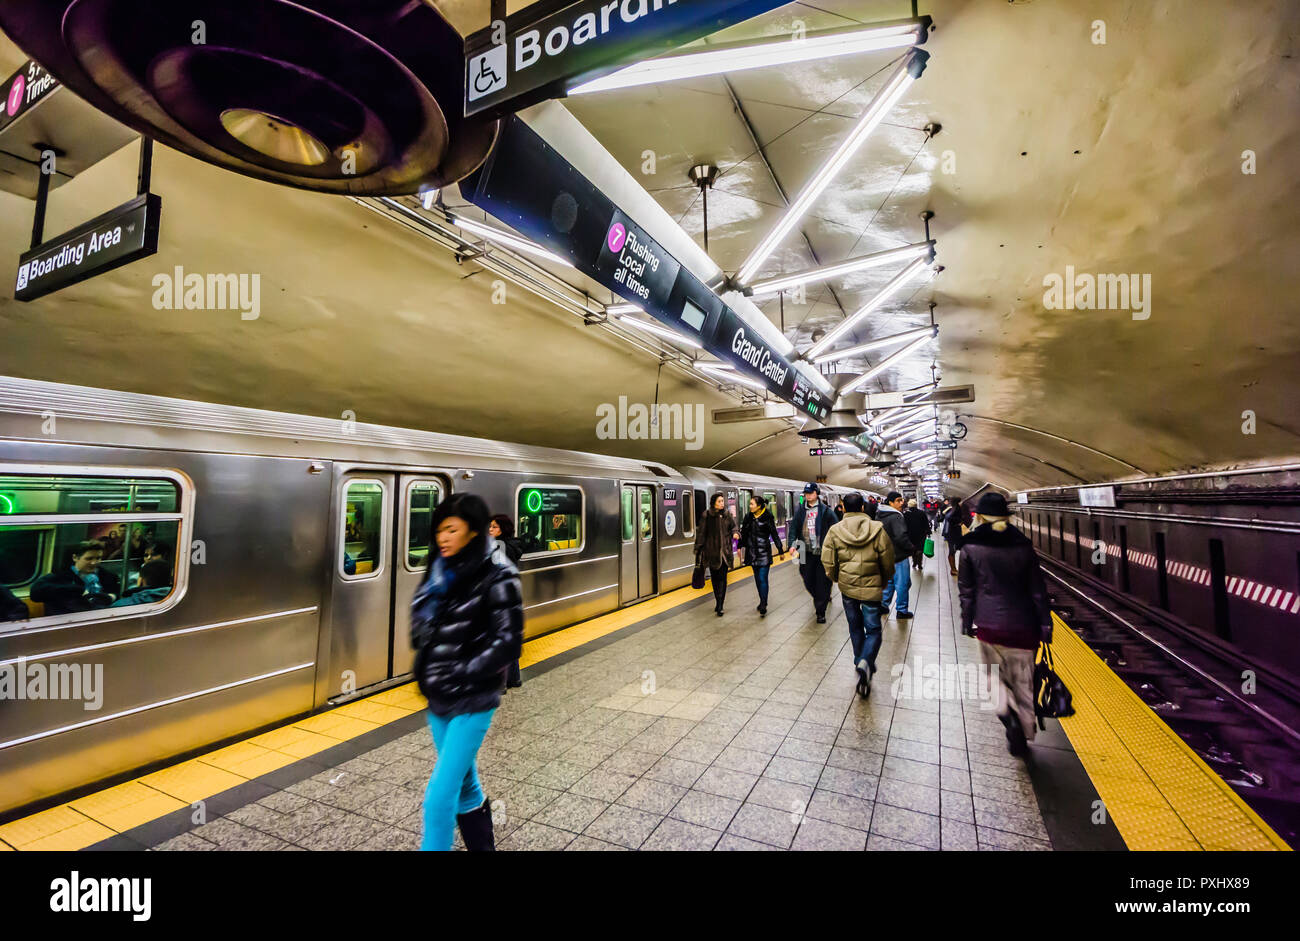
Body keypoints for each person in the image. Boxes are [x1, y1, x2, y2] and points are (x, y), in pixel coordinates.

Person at [410, 494, 523, 851]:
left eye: (451, 530)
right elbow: (421, 623)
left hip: (474, 698)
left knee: (437, 800)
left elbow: (508, 642)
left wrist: (463, 670)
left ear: (473, 532)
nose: (442, 538)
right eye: (439, 530)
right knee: (465, 788)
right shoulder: (438, 569)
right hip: (438, 695)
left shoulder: (499, 574)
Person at [957, 492, 1053, 757]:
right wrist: (1046, 625)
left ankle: (1006, 716)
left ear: (979, 517)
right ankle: (1023, 733)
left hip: (988, 626)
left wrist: (967, 622)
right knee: (1023, 683)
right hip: (1025, 626)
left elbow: (966, 590)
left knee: (994, 679)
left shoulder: (970, 548)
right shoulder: (1023, 547)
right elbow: (1037, 591)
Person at [822, 493, 895, 698]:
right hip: (872, 587)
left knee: (855, 626)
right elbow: (887, 559)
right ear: (863, 508)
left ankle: (859, 661)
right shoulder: (877, 529)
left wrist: (837, 577)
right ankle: (866, 660)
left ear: (843, 508)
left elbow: (828, 560)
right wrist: (884, 579)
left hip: (848, 588)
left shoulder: (835, 531)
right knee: (873, 629)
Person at [789, 483, 838, 623]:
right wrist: (792, 544)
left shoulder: (826, 511)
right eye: (806, 493)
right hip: (805, 551)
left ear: (817, 493)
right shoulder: (800, 511)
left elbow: (835, 529)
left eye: (810, 493)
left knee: (822, 581)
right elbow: (793, 529)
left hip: (822, 552)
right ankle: (820, 596)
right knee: (807, 578)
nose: (808, 495)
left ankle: (820, 611)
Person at [30, 540, 120, 614]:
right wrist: (78, 590)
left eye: (98, 558)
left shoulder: (107, 576)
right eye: (89, 559)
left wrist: (113, 596)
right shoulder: (59, 576)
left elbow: (115, 593)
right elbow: (35, 593)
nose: (94, 563)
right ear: (75, 558)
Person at [488, 514, 524, 689]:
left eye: (494, 527)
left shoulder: (498, 547)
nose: (490, 530)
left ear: (503, 529)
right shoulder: (512, 546)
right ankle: (514, 678)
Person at [739, 494, 784, 617]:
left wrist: (780, 550)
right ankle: (762, 600)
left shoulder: (767, 517)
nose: (750, 506)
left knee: (763, 578)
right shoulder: (748, 517)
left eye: (752, 504)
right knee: (757, 579)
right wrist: (739, 546)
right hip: (752, 552)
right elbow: (744, 533)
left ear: (759, 506)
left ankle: (763, 604)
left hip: (764, 551)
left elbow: (774, 533)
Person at [694, 493, 736, 616]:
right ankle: (718, 600)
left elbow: (734, 527)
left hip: (725, 552)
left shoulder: (727, 515)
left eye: (723, 501)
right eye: (719, 501)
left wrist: (736, 533)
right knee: (715, 579)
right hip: (711, 552)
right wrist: (698, 549)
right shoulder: (707, 516)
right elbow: (701, 533)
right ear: (713, 503)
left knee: (723, 578)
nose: (722, 503)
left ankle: (720, 605)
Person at [876, 492, 916, 620]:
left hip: (884, 555)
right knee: (903, 583)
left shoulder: (879, 515)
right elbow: (900, 536)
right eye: (898, 501)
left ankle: (883, 605)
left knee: (889, 582)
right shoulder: (896, 516)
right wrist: (911, 547)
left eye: (902, 500)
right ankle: (902, 610)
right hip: (899, 555)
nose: (901, 503)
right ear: (890, 503)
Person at [942, 498, 969, 577]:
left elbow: (947, 517)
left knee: (953, 550)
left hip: (950, 533)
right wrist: (960, 521)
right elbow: (951, 519)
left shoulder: (952, 509)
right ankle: (953, 569)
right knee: (953, 551)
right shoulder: (957, 509)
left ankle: (954, 569)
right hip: (954, 533)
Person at [904, 498, 932, 572]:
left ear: (909, 505)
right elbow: (926, 523)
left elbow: (904, 525)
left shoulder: (906, 514)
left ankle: (914, 562)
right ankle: (920, 564)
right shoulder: (921, 513)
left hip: (910, 534)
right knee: (920, 549)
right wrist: (928, 532)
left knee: (913, 548)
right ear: (916, 505)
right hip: (921, 534)